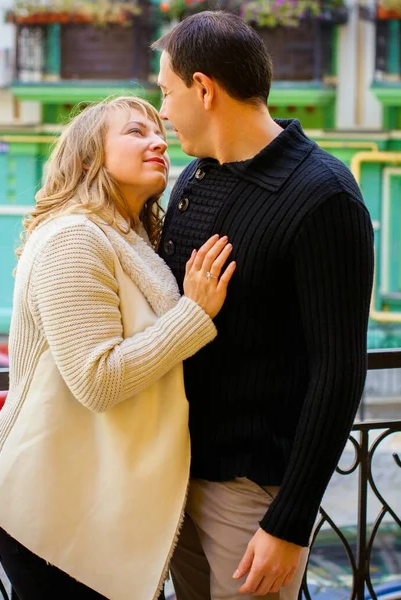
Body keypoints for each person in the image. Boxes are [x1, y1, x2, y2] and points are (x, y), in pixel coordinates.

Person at [152, 11, 374, 599]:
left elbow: (339, 371)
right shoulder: (195, 178)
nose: (164, 112)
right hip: (175, 478)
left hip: (249, 498)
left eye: (168, 93)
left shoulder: (324, 195)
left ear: (205, 89)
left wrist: (290, 522)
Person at [0, 96, 236, 600]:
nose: (158, 140)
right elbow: (97, 380)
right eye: (135, 132)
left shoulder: (128, 236)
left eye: (158, 132)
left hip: (88, 503)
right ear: (87, 160)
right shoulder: (74, 236)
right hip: (48, 512)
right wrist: (195, 313)